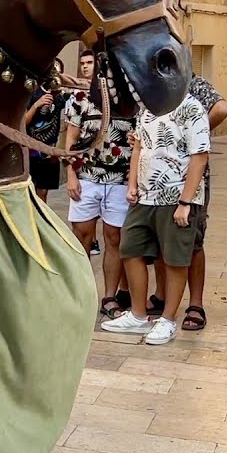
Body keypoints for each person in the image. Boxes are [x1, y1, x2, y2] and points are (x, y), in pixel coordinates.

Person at [101, 94, 210, 346]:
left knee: (174, 258)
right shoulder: (149, 105)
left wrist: (185, 202)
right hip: (145, 195)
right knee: (130, 249)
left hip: (176, 195)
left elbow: (200, 156)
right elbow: (138, 147)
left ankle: (168, 320)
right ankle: (139, 315)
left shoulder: (191, 106)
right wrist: (131, 184)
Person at [150, 75, 227, 331]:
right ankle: (161, 296)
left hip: (189, 179)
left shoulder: (191, 81)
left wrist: (188, 133)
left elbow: (222, 108)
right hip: (154, 178)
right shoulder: (150, 83)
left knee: (192, 241)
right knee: (160, 240)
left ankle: (195, 304)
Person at [64, 51, 135, 317]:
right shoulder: (80, 99)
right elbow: (70, 138)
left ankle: (109, 297)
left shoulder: (131, 102)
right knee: (82, 234)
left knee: (114, 238)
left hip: (120, 180)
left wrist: (133, 181)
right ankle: (79, 292)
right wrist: (70, 174)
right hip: (86, 177)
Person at [23, 58, 68, 202]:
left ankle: (40, 221)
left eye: (58, 71)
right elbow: (23, 122)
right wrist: (37, 105)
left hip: (50, 151)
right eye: (53, 69)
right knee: (27, 190)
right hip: (31, 150)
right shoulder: (32, 91)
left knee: (43, 192)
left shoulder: (62, 96)